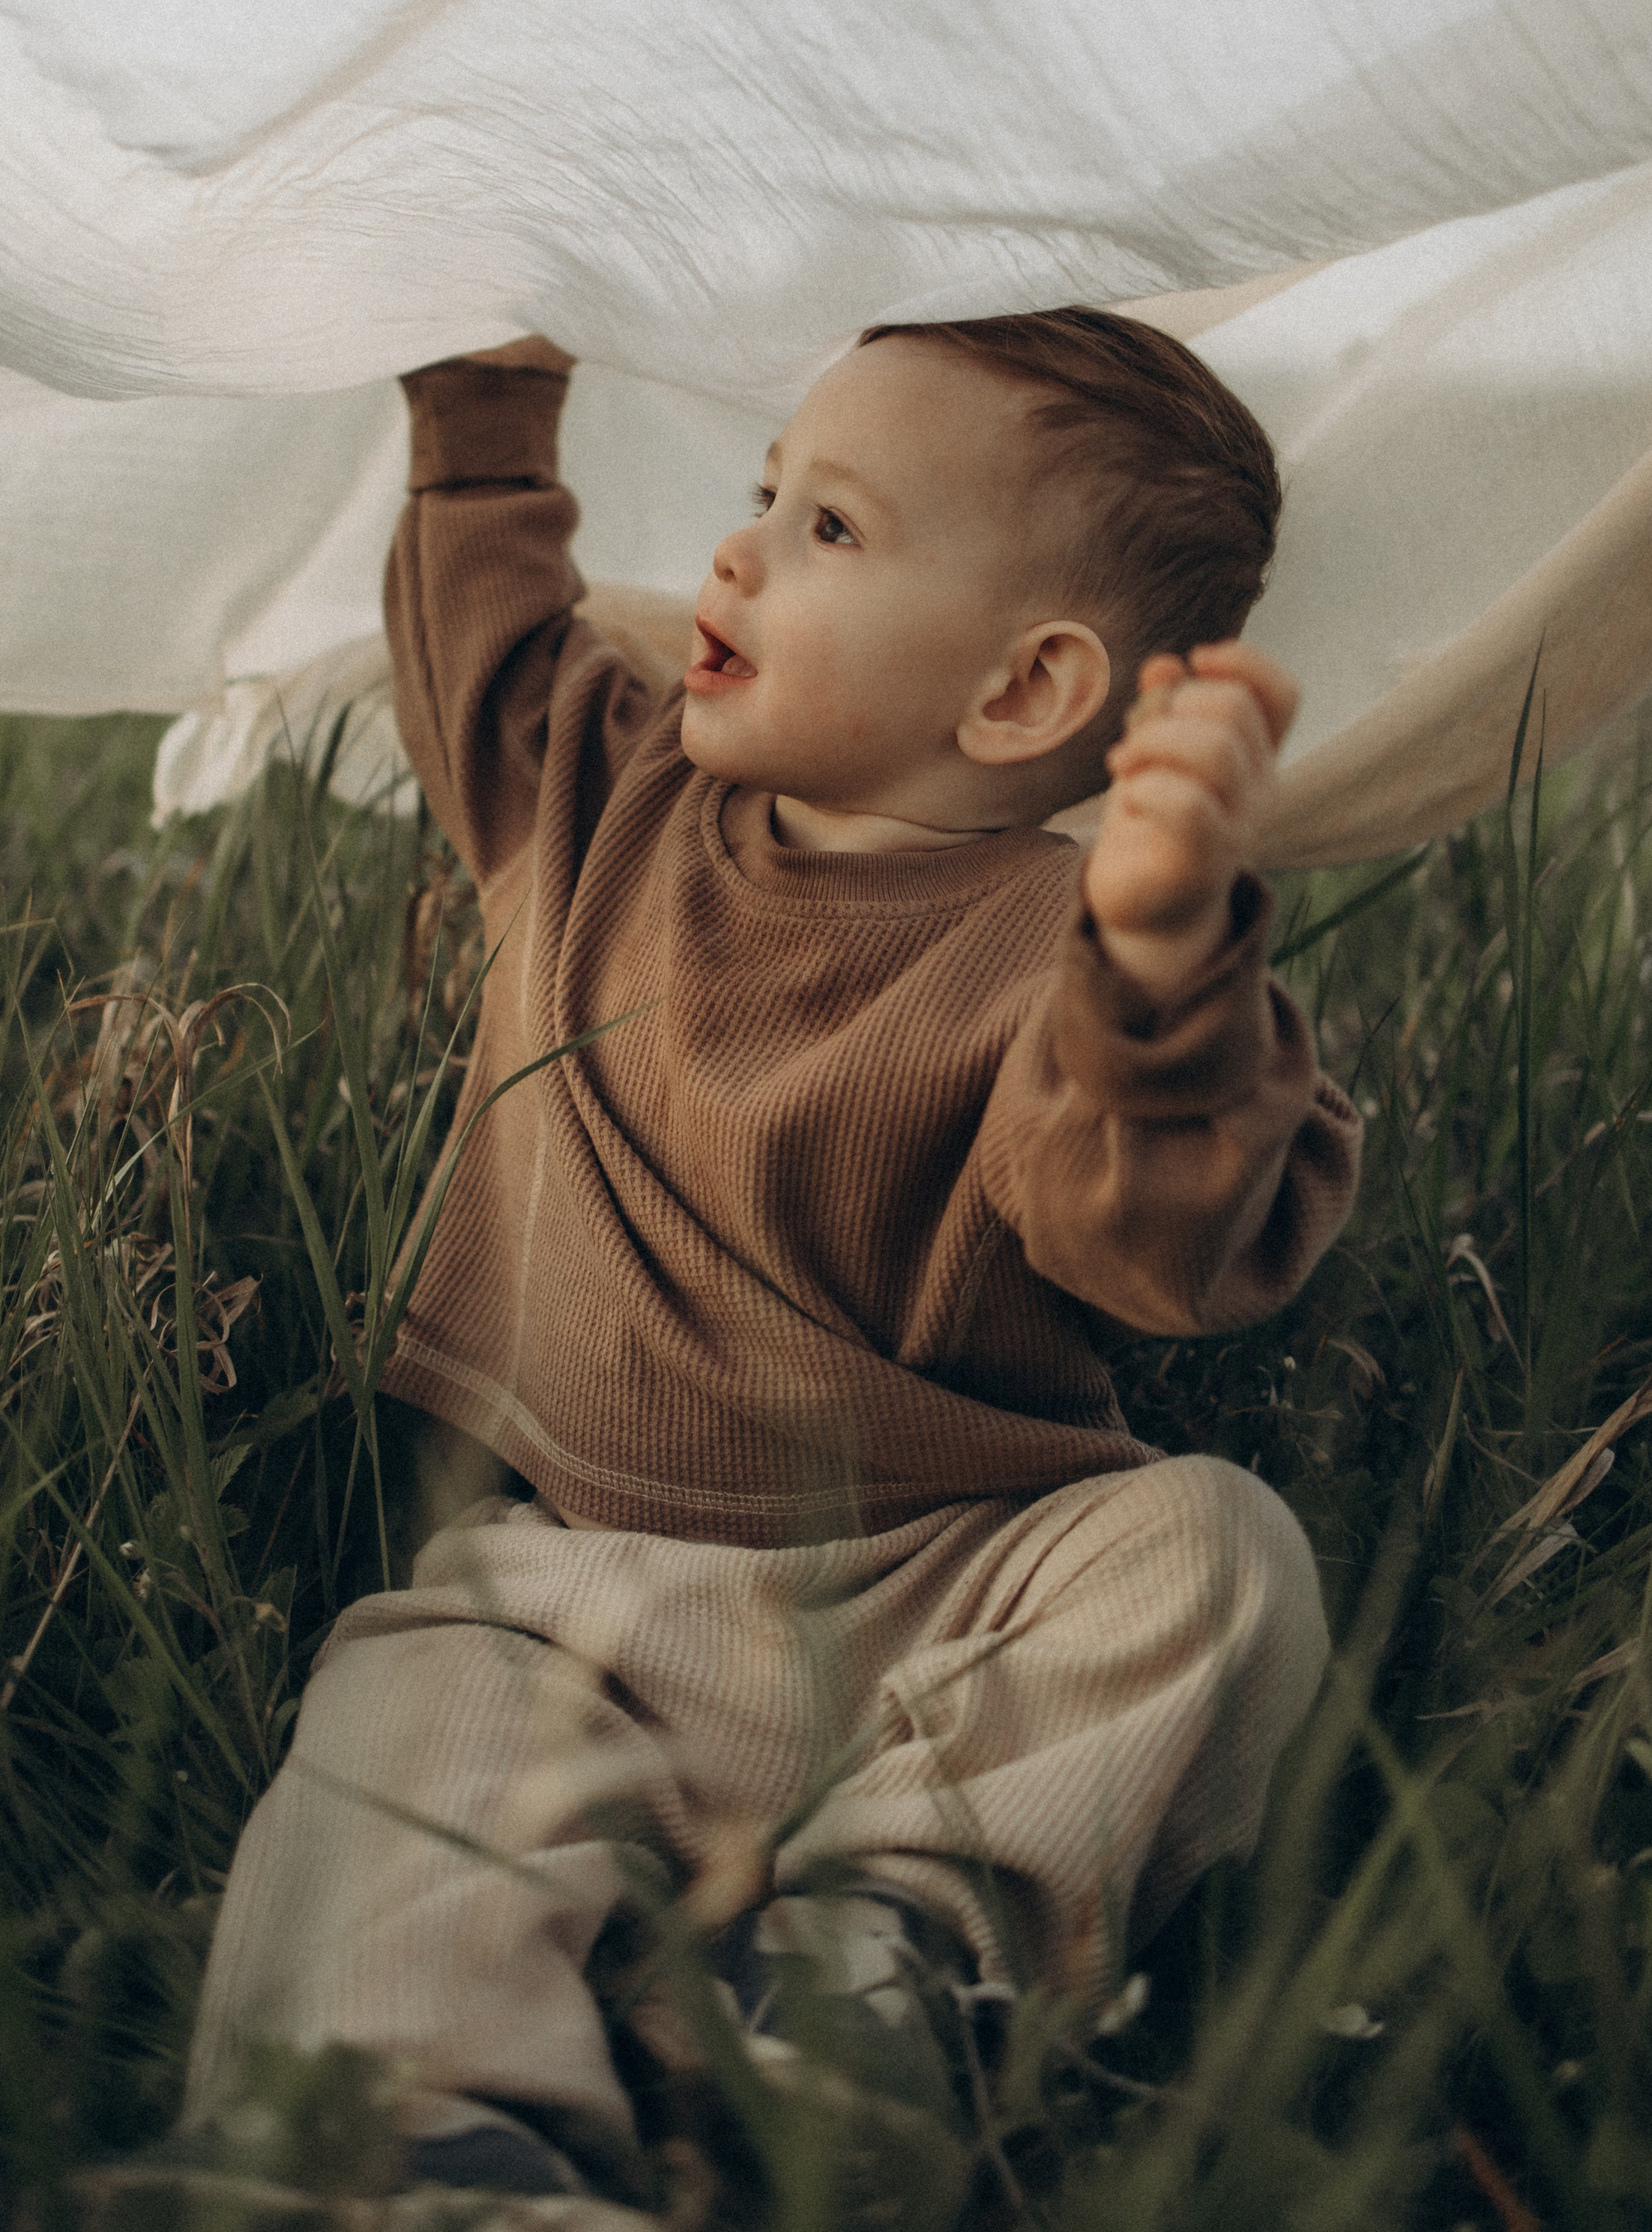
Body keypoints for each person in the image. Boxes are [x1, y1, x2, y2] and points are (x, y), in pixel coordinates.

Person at [183, 310, 1362, 2213]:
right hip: (566, 1592)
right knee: (404, 1731)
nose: (729, 552)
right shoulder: (598, 798)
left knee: (1214, 1557)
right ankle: (417, 2143)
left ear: (1018, 689)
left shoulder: (1088, 948)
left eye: (826, 528)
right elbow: (480, 630)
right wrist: (480, 394)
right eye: (762, 494)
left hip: (943, 1574)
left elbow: (1146, 1244)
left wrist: (1158, 977)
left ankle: (881, 1967)